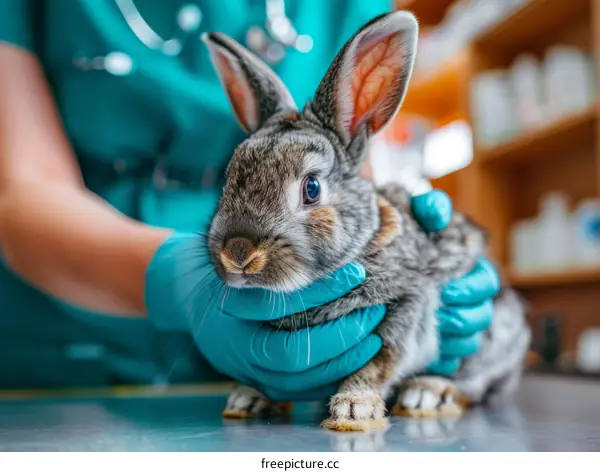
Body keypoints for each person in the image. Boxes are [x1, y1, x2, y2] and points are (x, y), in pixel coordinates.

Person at [0, 0, 499, 399]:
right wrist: (178, 281)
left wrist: (423, 279)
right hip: (67, 348)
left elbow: (348, 186)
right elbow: (22, 186)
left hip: (273, 346)